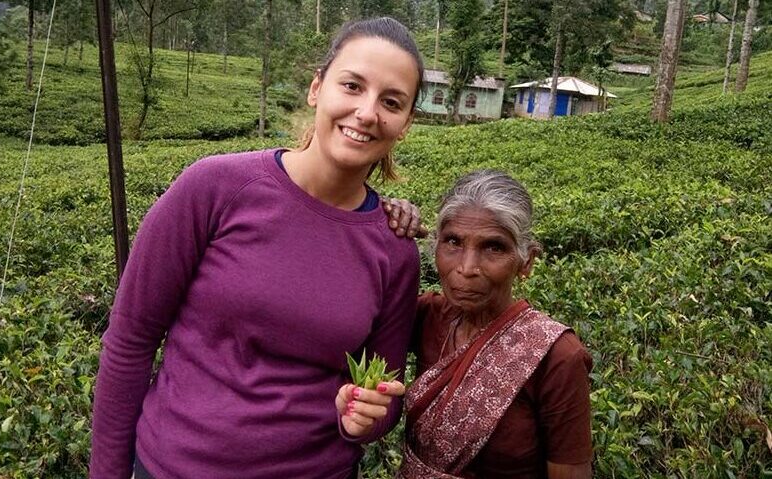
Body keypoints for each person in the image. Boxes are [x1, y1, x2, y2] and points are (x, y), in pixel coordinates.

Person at [90, 17, 426, 479]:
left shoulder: (395, 250)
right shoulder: (214, 188)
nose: (367, 112)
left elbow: (382, 398)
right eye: (352, 86)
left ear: (405, 124)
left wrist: (364, 417)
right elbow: (131, 341)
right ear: (316, 89)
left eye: (391, 102)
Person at [400, 170, 593, 479]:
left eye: (494, 247)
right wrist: (383, 212)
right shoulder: (425, 315)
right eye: (453, 242)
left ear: (526, 261)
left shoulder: (557, 356)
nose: (466, 268)